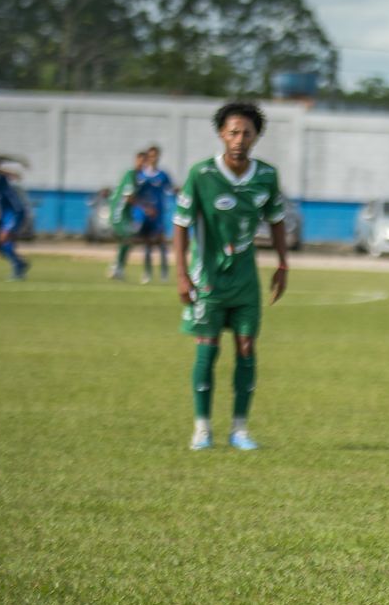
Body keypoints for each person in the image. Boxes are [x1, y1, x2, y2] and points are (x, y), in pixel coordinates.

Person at [172, 103, 289, 451]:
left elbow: (277, 220)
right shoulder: (202, 174)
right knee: (207, 350)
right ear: (222, 134)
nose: (239, 139)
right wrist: (181, 275)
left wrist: (283, 264)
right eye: (233, 132)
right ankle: (202, 428)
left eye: (246, 133)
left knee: (247, 347)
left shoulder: (266, 175)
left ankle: (240, 429)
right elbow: (180, 225)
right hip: (207, 279)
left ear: (256, 137)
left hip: (245, 280)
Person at [0, 155, 30, 281]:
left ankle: (18, 268)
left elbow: (1, 172)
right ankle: (19, 262)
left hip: (15, 212)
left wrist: (18, 163)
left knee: (4, 238)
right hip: (5, 214)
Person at [134, 145, 176, 283]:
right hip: (145, 215)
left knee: (161, 243)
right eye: (151, 156)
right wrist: (143, 208)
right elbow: (135, 195)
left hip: (158, 215)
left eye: (156, 156)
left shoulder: (163, 175)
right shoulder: (140, 175)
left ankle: (164, 273)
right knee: (147, 245)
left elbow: (171, 189)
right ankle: (147, 273)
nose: (154, 158)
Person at [107, 150, 147, 280]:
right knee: (127, 238)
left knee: (128, 240)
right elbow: (129, 197)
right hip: (119, 213)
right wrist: (145, 208)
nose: (142, 164)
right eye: (140, 160)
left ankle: (117, 267)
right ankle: (116, 267)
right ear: (136, 160)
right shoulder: (130, 174)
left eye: (144, 161)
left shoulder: (137, 177)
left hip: (126, 214)